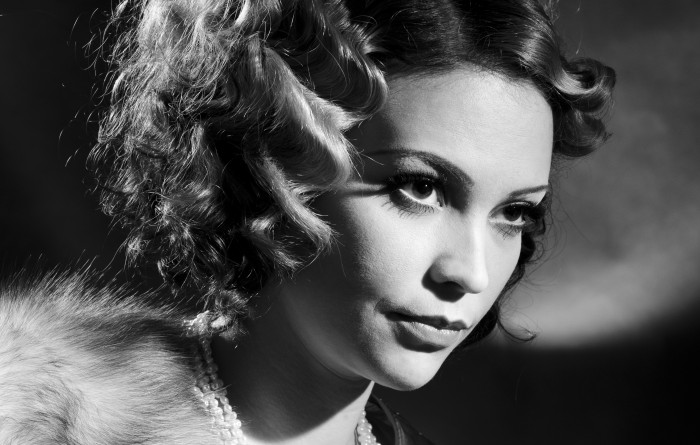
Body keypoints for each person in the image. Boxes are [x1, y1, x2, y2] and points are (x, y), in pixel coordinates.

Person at [0, 0, 614, 444]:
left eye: (514, 214)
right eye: (420, 187)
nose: (472, 274)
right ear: (275, 166)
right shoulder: (40, 419)